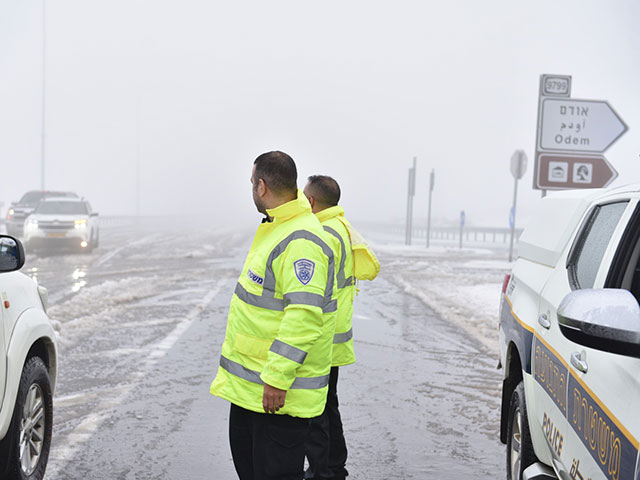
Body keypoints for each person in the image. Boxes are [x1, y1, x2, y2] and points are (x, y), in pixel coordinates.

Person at [210, 151, 338, 480]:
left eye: (252, 183)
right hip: (253, 391)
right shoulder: (277, 228)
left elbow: (304, 316)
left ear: (262, 186)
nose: (252, 189)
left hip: (276, 397)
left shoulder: (300, 240)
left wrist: (278, 379)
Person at [303, 175, 380, 480]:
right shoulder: (341, 227)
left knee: (316, 410)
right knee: (327, 405)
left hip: (321, 337)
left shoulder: (322, 233)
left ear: (310, 201)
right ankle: (335, 464)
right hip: (334, 334)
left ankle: (324, 471)